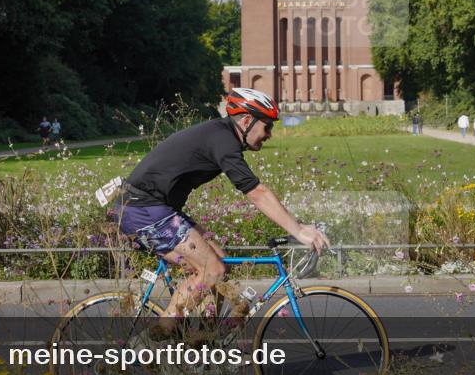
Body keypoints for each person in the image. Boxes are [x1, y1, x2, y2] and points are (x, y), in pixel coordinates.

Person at [117, 88, 330, 334]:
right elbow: (255, 192)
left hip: (155, 207)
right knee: (212, 270)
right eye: (267, 126)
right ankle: (154, 338)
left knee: (221, 264)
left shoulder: (222, 136)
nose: (269, 134)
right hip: (142, 208)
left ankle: (203, 342)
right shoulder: (223, 139)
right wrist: (300, 230)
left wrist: (298, 226)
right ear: (247, 121)